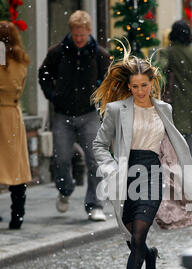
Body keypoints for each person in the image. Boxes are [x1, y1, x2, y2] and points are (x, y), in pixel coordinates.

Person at [92, 44, 192, 269]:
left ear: (152, 83)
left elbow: (171, 147)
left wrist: (181, 179)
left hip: (152, 175)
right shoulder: (116, 110)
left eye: (144, 85)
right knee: (131, 236)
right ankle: (150, 256)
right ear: (129, 86)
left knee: (137, 235)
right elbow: (99, 144)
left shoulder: (165, 110)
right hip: (126, 176)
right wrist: (110, 168)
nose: (139, 91)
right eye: (134, 86)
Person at [38, 10, 111, 221]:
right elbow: (43, 75)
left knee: (95, 160)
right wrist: (53, 96)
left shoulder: (100, 54)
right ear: (71, 32)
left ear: (89, 32)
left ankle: (95, 204)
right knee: (61, 158)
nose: (79, 39)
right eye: (76, 35)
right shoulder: (58, 52)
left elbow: (107, 83)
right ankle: (65, 189)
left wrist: (100, 100)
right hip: (63, 114)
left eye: (83, 35)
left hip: (89, 114)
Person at [160, 20, 192, 155]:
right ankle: (187, 168)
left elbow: (160, 70)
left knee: (175, 134)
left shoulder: (168, 53)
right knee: (189, 134)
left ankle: (177, 168)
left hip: (175, 100)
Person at [0, 21, 31, 230]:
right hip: (13, 114)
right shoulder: (21, 60)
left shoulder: (2, 60)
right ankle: (17, 214)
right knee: (16, 167)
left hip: (2, 111)